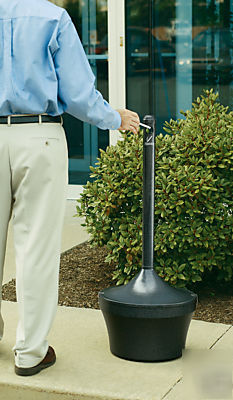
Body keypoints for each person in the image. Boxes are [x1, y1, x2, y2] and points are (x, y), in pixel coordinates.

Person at [0, 0, 140, 376]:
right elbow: (77, 92)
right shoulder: (51, 17)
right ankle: (29, 353)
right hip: (40, 135)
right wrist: (114, 117)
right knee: (37, 250)